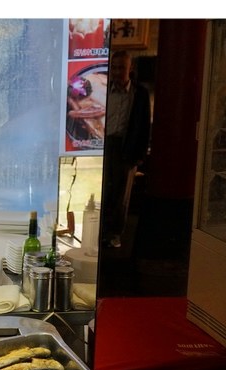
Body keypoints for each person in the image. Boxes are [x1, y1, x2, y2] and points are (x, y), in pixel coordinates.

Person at [101, 49, 151, 248]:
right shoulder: (104, 90)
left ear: (131, 69)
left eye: (122, 67)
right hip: (105, 145)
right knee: (103, 190)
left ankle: (115, 234)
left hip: (126, 146)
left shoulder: (139, 93)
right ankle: (100, 231)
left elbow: (145, 125)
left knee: (121, 196)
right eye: (114, 67)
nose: (117, 71)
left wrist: (139, 156)